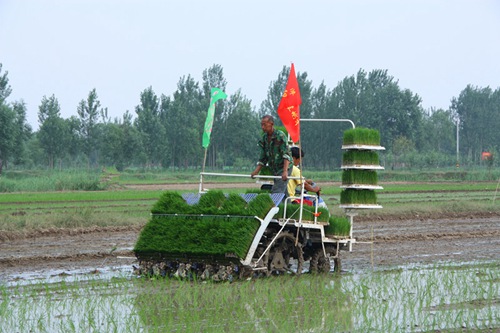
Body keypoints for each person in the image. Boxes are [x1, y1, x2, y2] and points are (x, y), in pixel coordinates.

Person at [251, 115, 292, 195]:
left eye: (265, 125)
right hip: (275, 169)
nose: (263, 127)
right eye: (261, 125)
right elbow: (263, 158)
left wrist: (285, 171)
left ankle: (273, 206)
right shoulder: (264, 139)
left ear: (271, 124)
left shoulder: (280, 136)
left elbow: (286, 154)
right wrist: (256, 171)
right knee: (284, 193)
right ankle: (289, 207)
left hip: (284, 167)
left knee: (277, 191)